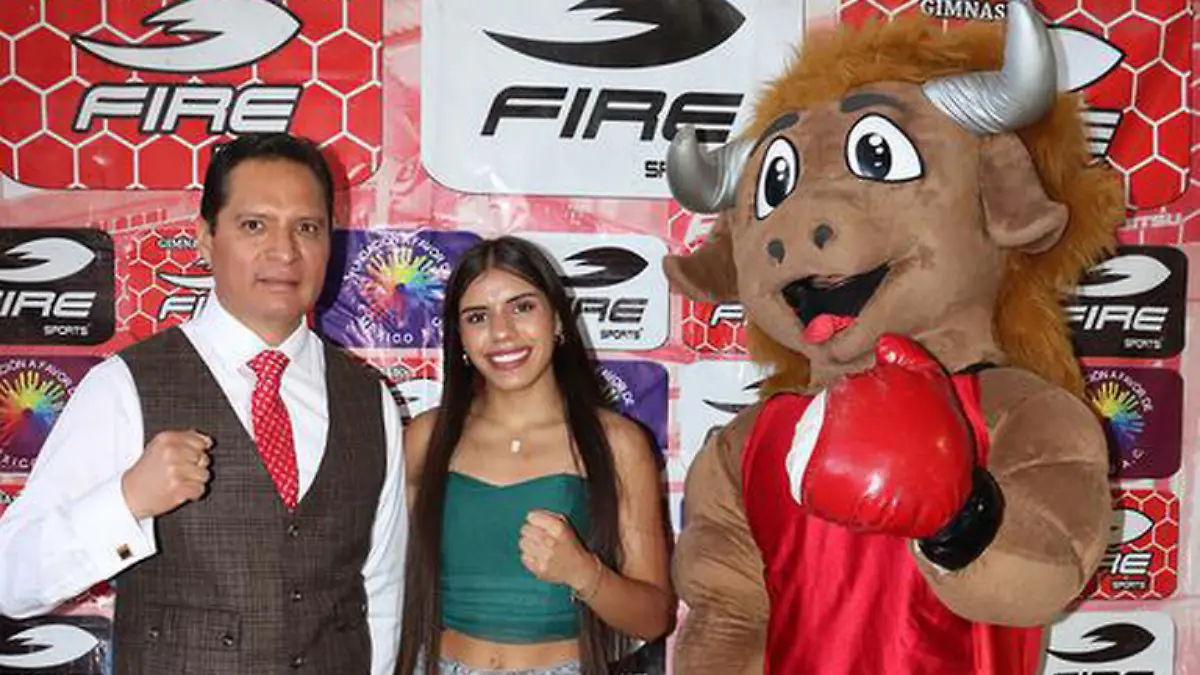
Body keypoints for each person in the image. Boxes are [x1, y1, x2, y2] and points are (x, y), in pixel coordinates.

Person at [0, 133, 407, 675]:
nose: (284, 251)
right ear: (205, 238)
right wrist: (126, 501)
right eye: (254, 225)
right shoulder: (125, 386)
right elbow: (11, 581)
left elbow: (380, 590)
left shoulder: (369, 400)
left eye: (306, 227)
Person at [398, 236, 675, 675]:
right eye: (477, 317)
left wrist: (585, 573)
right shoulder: (426, 438)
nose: (502, 332)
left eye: (522, 307)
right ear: (460, 336)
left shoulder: (617, 443)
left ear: (558, 319)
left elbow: (654, 617)